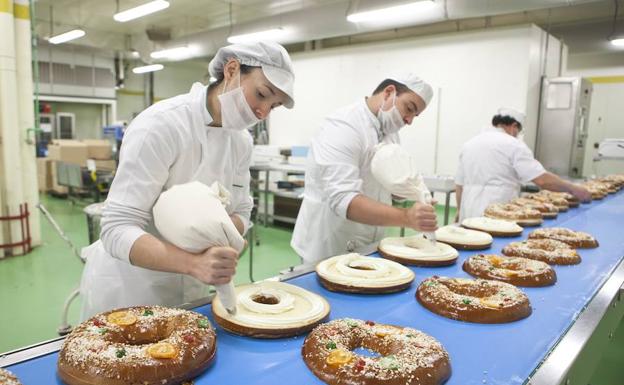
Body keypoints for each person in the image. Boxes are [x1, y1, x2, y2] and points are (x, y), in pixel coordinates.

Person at [79, 42, 295, 319]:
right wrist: (194, 263)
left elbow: (242, 209)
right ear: (231, 70)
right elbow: (117, 228)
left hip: (193, 290)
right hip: (134, 287)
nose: (262, 112)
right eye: (262, 94)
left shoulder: (241, 141)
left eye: (273, 106)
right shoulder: (161, 125)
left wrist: (225, 241)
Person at [291, 74, 437, 265]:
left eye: (415, 116)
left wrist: (408, 190)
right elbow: (343, 199)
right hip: (329, 243)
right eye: (409, 108)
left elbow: (387, 182)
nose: (409, 120)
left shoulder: (390, 134)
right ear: (389, 92)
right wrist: (407, 217)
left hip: (368, 243)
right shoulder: (343, 126)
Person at [454, 107, 591, 221]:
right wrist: (573, 188)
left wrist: (460, 211)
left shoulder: (470, 144)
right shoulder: (513, 144)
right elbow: (542, 180)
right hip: (497, 213)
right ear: (514, 127)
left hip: (469, 212)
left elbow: (459, 185)